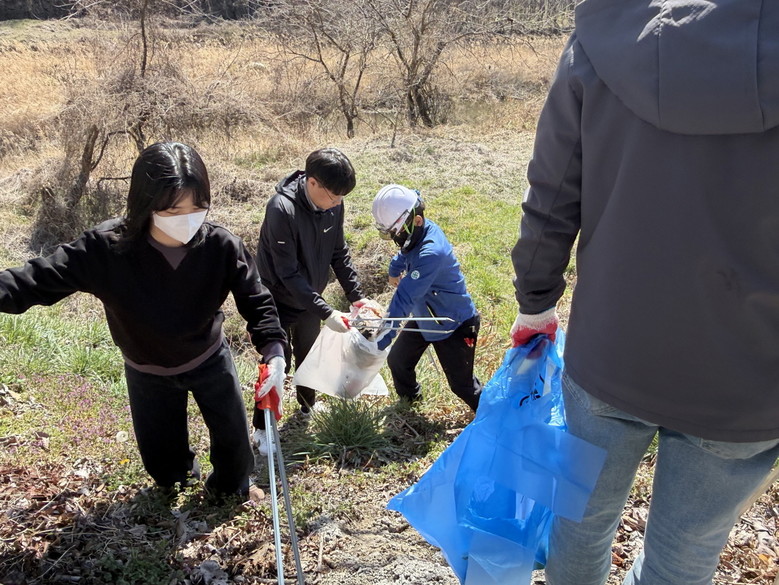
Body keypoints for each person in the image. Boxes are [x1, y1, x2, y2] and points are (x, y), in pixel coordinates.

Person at [510, 2, 779, 584]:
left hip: (613, 350)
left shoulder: (607, 34)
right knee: (684, 556)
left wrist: (535, 300)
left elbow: (552, 189)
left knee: (579, 523)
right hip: (750, 377)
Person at [0, 142, 287, 499]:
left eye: (198, 207)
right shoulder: (105, 249)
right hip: (146, 368)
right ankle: (178, 481)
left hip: (209, 358)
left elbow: (256, 299)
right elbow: (36, 279)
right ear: (145, 204)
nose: (188, 219)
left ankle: (230, 491)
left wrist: (274, 350)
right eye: (173, 210)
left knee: (234, 448)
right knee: (164, 463)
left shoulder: (220, 246)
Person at [253, 147, 370, 454]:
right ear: (312, 182)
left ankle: (307, 406)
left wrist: (356, 297)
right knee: (276, 362)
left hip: (309, 297)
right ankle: (262, 428)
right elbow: (287, 272)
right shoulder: (281, 209)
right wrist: (326, 311)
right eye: (334, 196)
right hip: (276, 298)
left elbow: (339, 252)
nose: (338, 202)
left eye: (342, 197)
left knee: (309, 354)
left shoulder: (333, 205)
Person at [371, 184, 481, 412]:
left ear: (417, 221)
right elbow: (406, 250)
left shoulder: (431, 253)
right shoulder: (417, 231)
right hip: (427, 315)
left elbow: (404, 298)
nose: (395, 238)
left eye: (396, 233)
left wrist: (378, 343)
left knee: (462, 386)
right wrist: (394, 268)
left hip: (453, 323)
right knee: (398, 362)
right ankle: (411, 402)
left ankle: (494, 420)